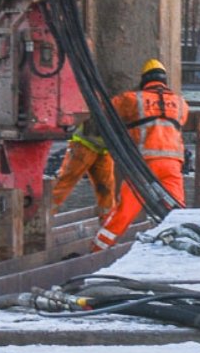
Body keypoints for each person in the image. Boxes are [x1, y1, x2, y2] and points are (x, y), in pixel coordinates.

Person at [92, 57, 189, 251]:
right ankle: (180, 245)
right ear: (164, 81)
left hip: (144, 166)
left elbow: (105, 109)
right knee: (177, 211)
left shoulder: (132, 99)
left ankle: (98, 249)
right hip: (172, 164)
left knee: (125, 211)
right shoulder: (180, 103)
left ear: (144, 80)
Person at [51, 118, 116, 218]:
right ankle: (44, 216)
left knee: (106, 189)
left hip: (103, 148)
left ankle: (107, 224)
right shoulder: (112, 104)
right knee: (64, 183)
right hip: (84, 144)